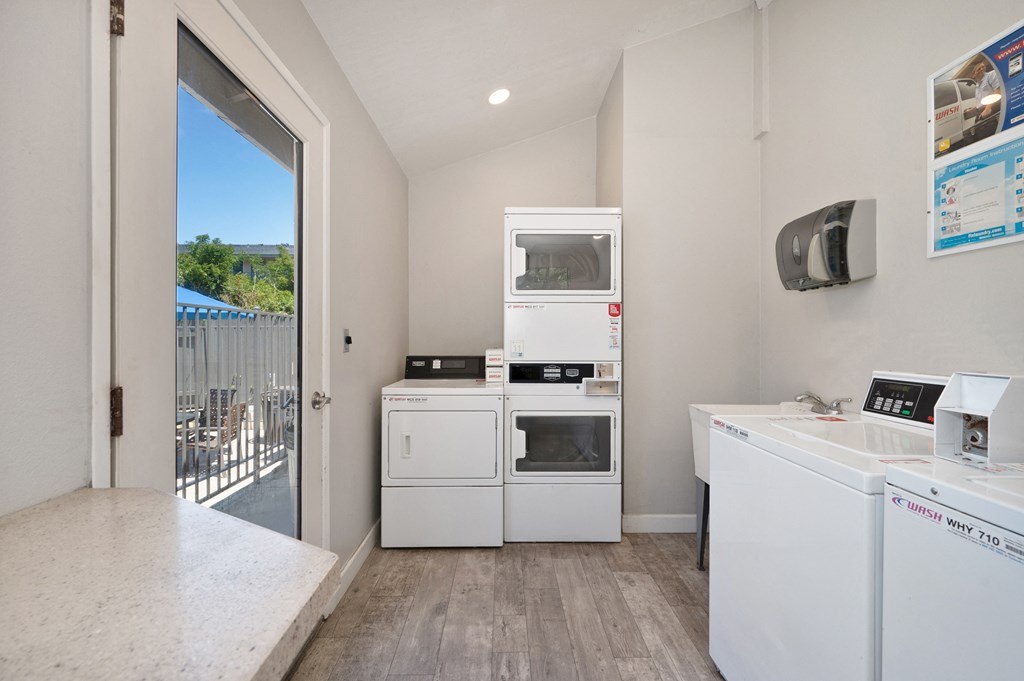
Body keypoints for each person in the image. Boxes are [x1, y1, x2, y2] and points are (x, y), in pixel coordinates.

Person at [968, 61, 1002, 126]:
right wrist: (974, 108)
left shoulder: (991, 74)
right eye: (978, 69)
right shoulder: (977, 86)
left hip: (992, 108)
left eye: (983, 67)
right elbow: (981, 101)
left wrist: (987, 109)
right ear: (973, 75)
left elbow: (998, 92)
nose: (982, 69)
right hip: (981, 112)